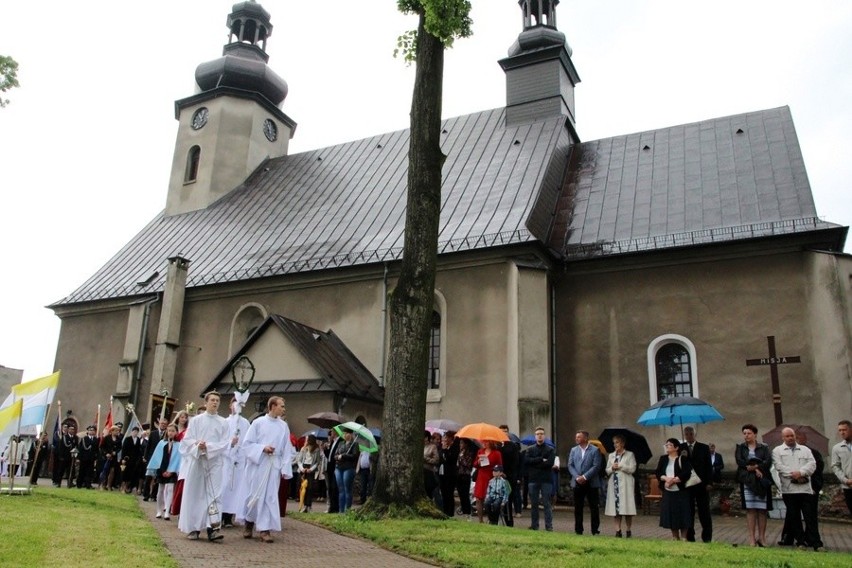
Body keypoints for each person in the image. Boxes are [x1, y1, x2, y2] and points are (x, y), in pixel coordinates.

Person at [239, 396, 294, 543]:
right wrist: (263, 448)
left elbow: (286, 448)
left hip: (273, 465)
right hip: (258, 465)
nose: (284, 409)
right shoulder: (258, 423)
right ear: (272, 406)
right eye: (281, 406)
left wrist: (285, 467)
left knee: (269, 497)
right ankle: (249, 523)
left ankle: (265, 529)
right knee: (254, 495)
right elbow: (247, 444)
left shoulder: (283, 426)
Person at [178, 391, 229, 542]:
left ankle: (212, 528)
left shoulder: (223, 422)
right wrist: (197, 445)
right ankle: (194, 528)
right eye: (212, 400)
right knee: (195, 494)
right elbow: (187, 440)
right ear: (206, 403)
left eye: (217, 400)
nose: (215, 403)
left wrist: (209, 447)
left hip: (214, 463)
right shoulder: (196, 421)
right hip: (198, 461)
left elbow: (225, 443)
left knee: (214, 495)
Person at [772, 427, 823, 551]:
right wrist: (793, 474)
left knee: (809, 517)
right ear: (783, 438)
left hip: (805, 488)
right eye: (787, 436)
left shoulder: (805, 450)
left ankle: (816, 543)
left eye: (792, 435)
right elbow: (779, 466)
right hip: (789, 489)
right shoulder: (777, 451)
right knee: (794, 517)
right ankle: (800, 542)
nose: (790, 438)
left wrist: (801, 472)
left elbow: (812, 464)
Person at [735, 423, 773, 547]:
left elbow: (767, 461)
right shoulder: (741, 447)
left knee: (762, 510)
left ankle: (762, 537)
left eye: (749, 433)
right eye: (744, 433)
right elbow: (740, 461)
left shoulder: (764, 447)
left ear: (755, 434)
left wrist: (757, 467)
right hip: (748, 480)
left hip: (761, 481)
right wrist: (751, 468)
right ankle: (751, 538)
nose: (746, 435)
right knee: (750, 509)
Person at [220, 396, 250, 528]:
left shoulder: (246, 423)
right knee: (223, 486)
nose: (237, 407)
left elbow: (248, 441)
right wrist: (229, 445)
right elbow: (219, 440)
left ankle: (229, 517)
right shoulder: (224, 422)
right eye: (234, 404)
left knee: (235, 488)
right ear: (230, 405)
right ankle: (218, 515)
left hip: (239, 461)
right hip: (225, 459)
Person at [656, 437, 693, 540]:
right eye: (666, 445)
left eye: (670, 445)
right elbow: (658, 472)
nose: (667, 446)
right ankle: (674, 536)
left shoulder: (682, 459)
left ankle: (684, 537)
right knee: (672, 513)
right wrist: (666, 479)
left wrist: (674, 480)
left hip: (681, 490)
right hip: (668, 490)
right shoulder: (663, 458)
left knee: (683, 513)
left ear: (676, 448)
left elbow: (687, 473)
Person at [681, 426, 712, 543]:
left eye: (691, 434)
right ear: (684, 435)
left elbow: (709, 466)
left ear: (694, 435)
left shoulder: (703, 448)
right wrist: (682, 457)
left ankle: (707, 536)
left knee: (704, 511)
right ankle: (690, 535)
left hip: (702, 484)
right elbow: (679, 466)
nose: (689, 436)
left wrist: (709, 482)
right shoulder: (681, 448)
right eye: (687, 434)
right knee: (689, 511)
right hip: (687, 485)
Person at [568, 430, 602, 535]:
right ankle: (578, 529)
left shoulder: (595, 450)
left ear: (585, 438)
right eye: (576, 437)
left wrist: (585, 476)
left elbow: (596, 466)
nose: (576, 438)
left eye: (579, 437)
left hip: (591, 482)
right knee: (578, 506)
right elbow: (570, 464)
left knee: (593, 507)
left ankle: (595, 529)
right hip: (577, 482)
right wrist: (577, 476)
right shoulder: (574, 450)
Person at [524, 426, 555, 531]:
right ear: (535, 436)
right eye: (538, 434)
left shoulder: (550, 450)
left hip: (546, 479)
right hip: (533, 479)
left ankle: (549, 526)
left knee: (547, 504)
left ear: (544, 436)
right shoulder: (530, 449)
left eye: (541, 433)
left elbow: (549, 463)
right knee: (534, 504)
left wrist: (535, 462)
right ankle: (534, 525)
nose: (540, 435)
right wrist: (541, 459)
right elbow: (527, 461)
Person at [605, 434, 636, 537]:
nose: (615, 445)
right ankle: (618, 530)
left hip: (626, 484)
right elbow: (607, 470)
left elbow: (632, 469)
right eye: (614, 443)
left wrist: (621, 466)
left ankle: (628, 529)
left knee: (627, 508)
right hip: (614, 484)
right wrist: (612, 468)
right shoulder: (611, 455)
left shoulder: (630, 454)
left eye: (617, 442)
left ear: (623, 443)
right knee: (616, 509)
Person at [149, 424, 181, 520]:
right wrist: (162, 470)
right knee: (160, 489)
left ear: (176, 432)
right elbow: (157, 458)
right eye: (169, 431)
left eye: (173, 431)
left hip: (172, 470)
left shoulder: (178, 445)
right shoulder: (161, 443)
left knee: (171, 489)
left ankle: (167, 511)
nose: (170, 433)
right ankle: (159, 510)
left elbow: (178, 459)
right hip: (162, 469)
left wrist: (171, 471)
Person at [473, 440, 503, 523]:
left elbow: (500, 465)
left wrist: (495, 470)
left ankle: (490, 519)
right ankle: (480, 520)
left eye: (487, 442)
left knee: (489, 499)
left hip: (491, 476)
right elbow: (475, 464)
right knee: (479, 498)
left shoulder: (497, 453)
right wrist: (478, 462)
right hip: (481, 476)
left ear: (491, 442)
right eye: (484, 442)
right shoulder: (480, 451)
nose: (484, 443)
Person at [334, 429, 359, 513]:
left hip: (348, 468)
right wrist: (338, 457)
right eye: (344, 433)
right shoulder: (341, 443)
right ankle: (341, 511)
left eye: (347, 433)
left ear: (351, 434)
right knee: (341, 490)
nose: (345, 435)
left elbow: (354, 456)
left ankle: (347, 510)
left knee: (347, 489)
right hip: (339, 467)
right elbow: (335, 454)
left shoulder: (355, 444)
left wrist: (344, 456)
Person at [143, 418, 169, 501]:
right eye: (162, 423)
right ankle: (146, 495)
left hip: (161, 459)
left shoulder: (167, 434)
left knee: (158, 478)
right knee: (148, 477)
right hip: (152, 458)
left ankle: (153, 495)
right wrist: (145, 457)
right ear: (159, 423)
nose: (163, 425)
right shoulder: (153, 433)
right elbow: (148, 446)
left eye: (165, 424)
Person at [498, 425, 520, 521]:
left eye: (505, 431)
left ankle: (509, 521)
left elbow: (516, 463)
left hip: (509, 476)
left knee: (508, 500)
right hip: (498, 475)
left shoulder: (512, 446)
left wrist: (515, 477)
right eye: (501, 431)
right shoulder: (496, 445)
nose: (503, 433)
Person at [831, 419, 852, 515]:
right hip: (848, 485)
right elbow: (835, 466)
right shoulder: (837, 448)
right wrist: (845, 480)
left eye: (844, 430)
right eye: (840, 430)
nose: (842, 432)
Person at [297, 434, 322, 512]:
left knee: (310, 488)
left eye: (307, 439)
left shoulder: (317, 450)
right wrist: (302, 468)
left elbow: (317, 462)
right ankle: (304, 505)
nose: (306, 441)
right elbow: (299, 460)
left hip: (311, 468)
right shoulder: (303, 449)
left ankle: (309, 505)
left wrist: (311, 469)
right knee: (304, 488)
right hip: (303, 468)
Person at [438, 431, 459, 517]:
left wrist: (446, 450)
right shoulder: (443, 448)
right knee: (444, 492)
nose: (445, 439)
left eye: (446, 437)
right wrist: (443, 449)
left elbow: (451, 459)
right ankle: (445, 510)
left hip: (450, 473)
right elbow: (441, 458)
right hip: (442, 471)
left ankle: (450, 512)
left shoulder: (454, 448)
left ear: (451, 438)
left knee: (449, 493)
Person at [455, 438, 476, 517]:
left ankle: (467, 511)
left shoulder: (469, 453)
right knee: (461, 493)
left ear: (466, 444)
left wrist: (461, 458)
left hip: (466, 474)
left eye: (462, 443)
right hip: (459, 474)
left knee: (465, 494)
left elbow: (468, 464)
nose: (460, 445)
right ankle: (464, 510)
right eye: (460, 443)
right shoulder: (460, 452)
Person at [121, 426, 144, 494]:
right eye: (134, 432)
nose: (135, 433)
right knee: (125, 473)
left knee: (132, 473)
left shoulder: (138, 440)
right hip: (127, 459)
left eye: (137, 432)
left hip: (134, 460)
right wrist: (123, 459)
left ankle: (129, 487)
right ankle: (123, 487)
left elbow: (138, 450)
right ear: (132, 432)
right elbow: (124, 449)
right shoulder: (127, 439)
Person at [100, 425, 122, 490]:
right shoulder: (107, 438)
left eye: (118, 431)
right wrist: (106, 453)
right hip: (106, 457)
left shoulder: (119, 439)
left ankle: (109, 485)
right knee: (105, 471)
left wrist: (116, 452)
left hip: (114, 457)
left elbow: (120, 447)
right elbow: (102, 447)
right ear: (112, 431)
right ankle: (102, 484)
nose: (117, 432)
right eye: (116, 431)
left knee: (112, 471)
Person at [422, 430, 441, 508]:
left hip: (429, 471)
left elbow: (436, 460)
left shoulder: (432, 447)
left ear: (426, 438)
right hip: (421, 471)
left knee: (429, 490)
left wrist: (426, 459)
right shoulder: (419, 446)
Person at [325, 429, 341, 513]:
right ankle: (331, 507)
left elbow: (336, 454)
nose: (330, 433)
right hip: (330, 467)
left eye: (332, 431)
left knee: (335, 487)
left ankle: (336, 507)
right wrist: (325, 450)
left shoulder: (340, 441)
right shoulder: (332, 442)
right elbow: (329, 456)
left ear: (335, 432)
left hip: (336, 466)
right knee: (330, 488)